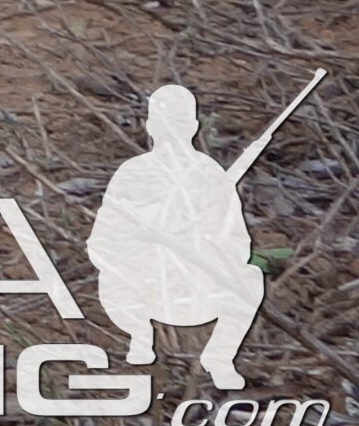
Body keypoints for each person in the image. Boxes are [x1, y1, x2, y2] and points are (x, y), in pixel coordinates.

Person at [86, 76, 295, 391]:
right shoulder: (132, 172)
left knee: (250, 278)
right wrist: (144, 247)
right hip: (144, 287)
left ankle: (219, 358)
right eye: (166, 121)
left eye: (180, 121)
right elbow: (102, 240)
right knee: (113, 280)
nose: (173, 129)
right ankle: (141, 338)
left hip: (196, 289)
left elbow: (237, 240)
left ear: (194, 126)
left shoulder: (209, 173)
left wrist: (204, 244)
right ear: (151, 127)